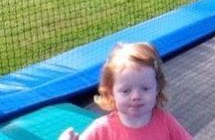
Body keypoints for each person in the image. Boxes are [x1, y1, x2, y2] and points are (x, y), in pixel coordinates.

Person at [58, 42, 192, 140]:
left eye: (145, 88)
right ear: (111, 93)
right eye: (126, 91)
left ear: (157, 88)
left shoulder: (165, 122)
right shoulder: (101, 129)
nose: (136, 96)